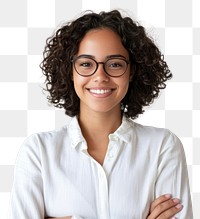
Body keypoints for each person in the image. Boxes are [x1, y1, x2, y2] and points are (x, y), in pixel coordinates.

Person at [8, 10, 193, 219]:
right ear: (70, 71)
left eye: (114, 64)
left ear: (131, 71)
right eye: (86, 64)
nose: (100, 76)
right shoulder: (38, 152)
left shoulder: (163, 147)